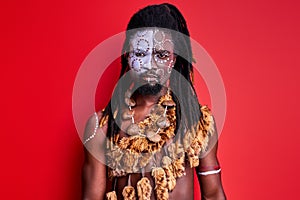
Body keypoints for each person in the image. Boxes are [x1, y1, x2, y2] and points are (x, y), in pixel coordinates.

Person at [82, 3, 226, 200]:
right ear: (127, 56)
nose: (150, 64)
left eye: (161, 55)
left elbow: (214, 194)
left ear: (174, 58)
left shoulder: (197, 121)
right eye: (140, 54)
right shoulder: (101, 126)